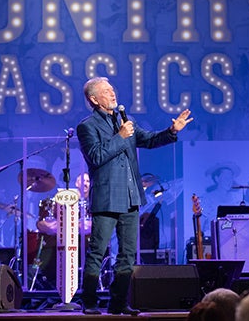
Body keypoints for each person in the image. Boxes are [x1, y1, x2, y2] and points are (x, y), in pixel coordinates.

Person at [77, 76, 192, 315]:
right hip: (107, 199)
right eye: (106, 91)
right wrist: (120, 136)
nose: (112, 94)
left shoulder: (125, 120)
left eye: (112, 90)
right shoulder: (87, 126)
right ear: (94, 99)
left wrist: (171, 131)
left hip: (131, 197)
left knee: (127, 254)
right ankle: (88, 302)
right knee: (98, 251)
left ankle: (118, 303)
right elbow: (96, 156)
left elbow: (149, 140)